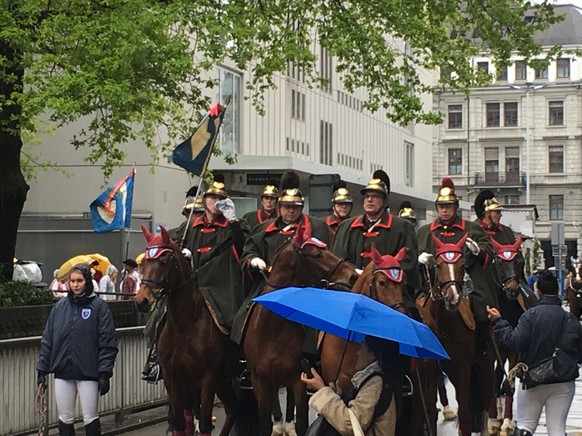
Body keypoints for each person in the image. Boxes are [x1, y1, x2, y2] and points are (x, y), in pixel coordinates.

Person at [142, 174, 250, 382]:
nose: (214, 202)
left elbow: (241, 246)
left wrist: (234, 222)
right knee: (160, 316)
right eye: (211, 198)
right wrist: (176, 252)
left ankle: (240, 363)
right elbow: (168, 242)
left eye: (219, 198)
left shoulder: (234, 224)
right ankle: (155, 360)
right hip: (192, 284)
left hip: (220, 285)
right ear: (204, 200)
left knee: (234, 319)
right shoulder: (190, 227)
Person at [487, 270, 582, 436]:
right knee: (557, 429)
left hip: (532, 381)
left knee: (525, 426)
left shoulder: (530, 316)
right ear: (557, 290)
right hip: (563, 383)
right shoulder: (570, 319)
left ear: (538, 291)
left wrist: (498, 322)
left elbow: (514, 342)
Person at [36, 264, 118, 436]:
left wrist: (104, 373)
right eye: (72, 281)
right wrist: (42, 370)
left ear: (87, 281)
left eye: (79, 281)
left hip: (88, 372)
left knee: (91, 418)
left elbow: (107, 343)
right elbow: (48, 340)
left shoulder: (99, 308)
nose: (75, 285)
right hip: (63, 371)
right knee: (65, 418)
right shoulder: (59, 308)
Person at [417, 178, 495, 352]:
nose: (444, 210)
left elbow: (489, 252)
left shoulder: (472, 229)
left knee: (481, 304)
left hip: (466, 283)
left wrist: (478, 251)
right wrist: (419, 258)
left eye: (448, 206)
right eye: (441, 207)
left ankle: (482, 345)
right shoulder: (425, 231)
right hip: (434, 284)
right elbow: (412, 253)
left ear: (455, 207)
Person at [331, 170, 419, 301]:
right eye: (367, 196)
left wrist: (380, 275)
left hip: (390, 294)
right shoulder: (346, 226)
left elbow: (408, 264)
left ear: (385, 202)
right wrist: (357, 273)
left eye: (375, 196)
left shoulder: (403, 228)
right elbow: (337, 259)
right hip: (350, 290)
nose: (370, 200)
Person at [301, 335, 398, 436]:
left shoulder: (376, 383)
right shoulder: (370, 379)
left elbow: (352, 425)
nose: (358, 352)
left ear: (373, 354)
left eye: (362, 347)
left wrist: (324, 391)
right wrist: (338, 397)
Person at [474, 189, 537, 308]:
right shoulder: (475, 230)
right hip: (481, 278)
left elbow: (516, 256)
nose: (500, 215)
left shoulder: (506, 231)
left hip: (507, 276)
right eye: (496, 212)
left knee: (530, 297)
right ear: (487, 213)